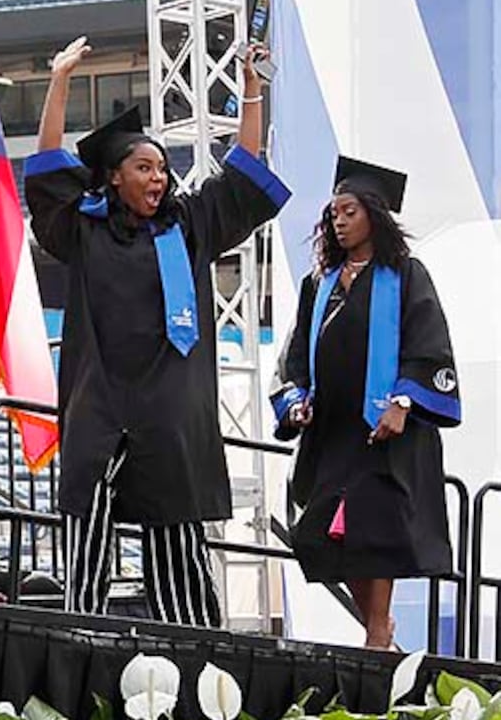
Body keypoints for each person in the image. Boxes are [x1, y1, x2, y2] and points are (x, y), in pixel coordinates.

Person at [23, 39, 290, 627]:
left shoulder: (188, 224)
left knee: (176, 545)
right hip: (100, 401)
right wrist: (60, 79)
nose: (159, 177)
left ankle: (197, 646)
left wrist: (253, 88)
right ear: (114, 178)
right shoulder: (84, 228)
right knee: (86, 530)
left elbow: (243, 170)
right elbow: (46, 168)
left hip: (171, 403)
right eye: (144, 167)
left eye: (162, 168)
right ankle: (80, 635)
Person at [270, 158, 459, 650]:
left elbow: (428, 344)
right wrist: (297, 401)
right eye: (334, 212)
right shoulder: (321, 283)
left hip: (382, 432)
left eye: (349, 211)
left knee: (374, 534)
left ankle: (377, 633)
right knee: (324, 535)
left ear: (373, 215)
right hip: (333, 433)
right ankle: (379, 628)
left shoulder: (405, 275)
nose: (339, 220)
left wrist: (401, 402)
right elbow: (294, 358)